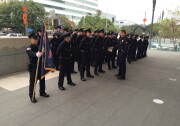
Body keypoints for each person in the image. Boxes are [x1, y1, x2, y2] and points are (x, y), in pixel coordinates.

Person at [26, 33, 49, 103]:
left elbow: (43, 52)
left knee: (42, 79)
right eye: (32, 39)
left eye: (34, 40)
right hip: (33, 67)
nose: (33, 41)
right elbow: (30, 53)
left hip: (40, 66)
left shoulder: (39, 46)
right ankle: (32, 96)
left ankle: (42, 92)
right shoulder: (29, 47)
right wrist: (36, 54)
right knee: (33, 82)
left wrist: (43, 52)